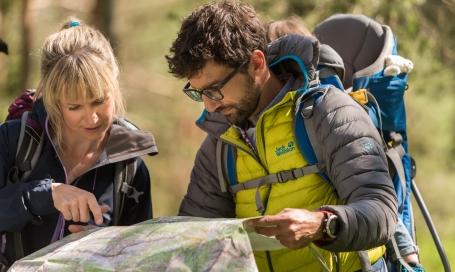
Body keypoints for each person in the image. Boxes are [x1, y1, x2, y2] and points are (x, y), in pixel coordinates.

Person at [166, 1, 397, 271]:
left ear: (256, 63)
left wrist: (322, 224)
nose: (209, 105)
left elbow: (381, 211)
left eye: (215, 89)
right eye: (198, 93)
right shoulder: (218, 145)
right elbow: (197, 240)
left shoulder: (330, 114)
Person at [267, 18, 422, 271]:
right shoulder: (327, 74)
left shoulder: (320, 84)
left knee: (376, 200)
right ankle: (408, 254)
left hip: (350, 172)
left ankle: (407, 255)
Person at [0, 20, 157, 269]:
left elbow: (144, 259)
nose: (92, 118)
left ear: (114, 87)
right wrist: (45, 195)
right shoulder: (13, 140)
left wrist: (106, 245)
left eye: (99, 101)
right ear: (54, 99)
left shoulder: (130, 169)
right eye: (75, 107)